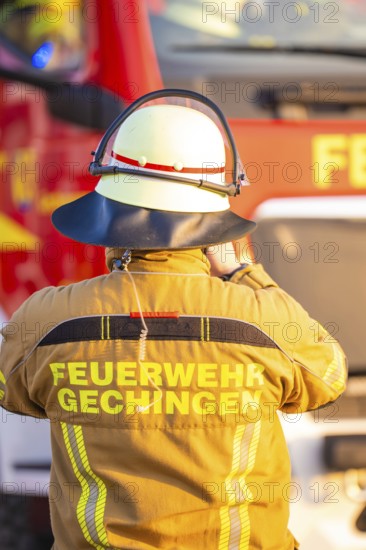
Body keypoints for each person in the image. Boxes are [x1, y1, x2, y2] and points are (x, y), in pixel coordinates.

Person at [0, 89, 347, 550]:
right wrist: (246, 274)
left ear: (108, 204)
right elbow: (327, 376)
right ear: (214, 219)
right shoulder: (262, 318)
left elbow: (13, 390)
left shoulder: (46, 320)